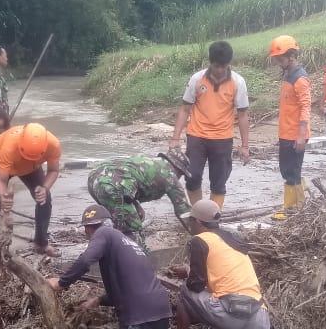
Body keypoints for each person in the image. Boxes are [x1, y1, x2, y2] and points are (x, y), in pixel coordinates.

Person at [47, 205, 172, 329]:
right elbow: (133, 285)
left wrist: (62, 282)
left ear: (89, 228)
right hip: (162, 311)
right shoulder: (128, 242)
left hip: (139, 319)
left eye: (86, 230)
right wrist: (98, 300)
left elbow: (87, 259)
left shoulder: (103, 233)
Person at [172, 199, 269, 329]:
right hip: (258, 314)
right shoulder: (233, 239)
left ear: (199, 222)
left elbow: (196, 285)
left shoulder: (199, 240)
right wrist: (190, 269)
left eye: (191, 220)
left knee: (184, 290)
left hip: (229, 313)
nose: (190, 224)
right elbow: (225, 271)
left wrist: (189, 273)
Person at [168, 40, 250, 209]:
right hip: (197, 136)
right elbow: (185, 109)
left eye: (224, 66)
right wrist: (175, 138)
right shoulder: (197, 79)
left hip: (223, 139)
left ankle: (212, 218)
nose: (220, 70)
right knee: (192, 177)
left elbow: (242, 115)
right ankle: (199, 213)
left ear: (229, 64)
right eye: (216, 66)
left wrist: (245, 145)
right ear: (210, 62)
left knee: (219, 182)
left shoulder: (238, 82)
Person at [0, 123, 61, 255]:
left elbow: (54, 170)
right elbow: (1, 180)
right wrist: (3, 197)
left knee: (44, 199)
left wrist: (45, 188)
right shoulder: (9, 146)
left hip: (31, 167)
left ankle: (41, 243)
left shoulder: (53, 145)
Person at [86, 151, 192, 249]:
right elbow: (183, 210)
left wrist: (136, 208)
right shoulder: (170, 175)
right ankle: (136, 258)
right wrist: (200, 234)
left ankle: (104, 245)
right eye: (182, 174)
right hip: (113, 185)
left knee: (128, 217)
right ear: (178, 169)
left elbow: (132, 181)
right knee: (134, 230)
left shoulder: (149, 161)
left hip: (94, 178)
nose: (180, 177)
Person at [269, 35, 311, 219]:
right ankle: (294, 205)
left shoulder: (300, 78)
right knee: (287, 170)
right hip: (286, 132)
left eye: (280, 59)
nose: (278, 62)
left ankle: (294, 208)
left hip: (295, 134)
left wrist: (301, 135)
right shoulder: (288, 74)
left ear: (291, 56)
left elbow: (306, 107)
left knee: (292, 171)